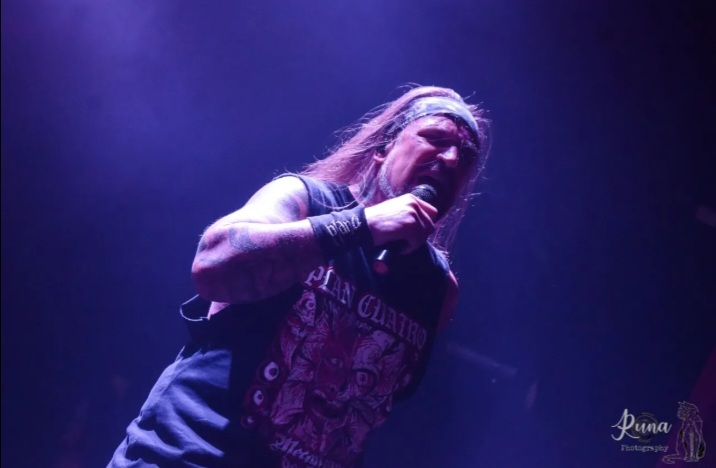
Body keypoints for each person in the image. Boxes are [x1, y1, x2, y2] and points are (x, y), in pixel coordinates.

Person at [107, 85, 489, 468]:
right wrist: (362, 226)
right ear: (385, 146)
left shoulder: (437, 289)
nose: (451, 158)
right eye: (435, 139)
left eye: (466, 154)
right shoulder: (305, 200)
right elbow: (212, 265)